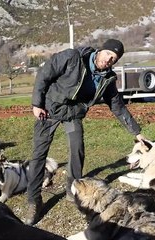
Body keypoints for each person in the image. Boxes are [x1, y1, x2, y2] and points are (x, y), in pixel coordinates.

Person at [24, 39, 147, 225]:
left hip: (73, 113)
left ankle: (72, 189)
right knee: (39, 154)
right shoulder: (73, 58)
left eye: (113, 59)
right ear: (100, 51)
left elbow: (118, 107)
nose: (108, 60)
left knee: (77, 148)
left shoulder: (107, 79)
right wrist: (36, 104)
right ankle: (34, 200)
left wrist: (136, 132)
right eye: (107, 54)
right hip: (49, 109)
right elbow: (44, 74)